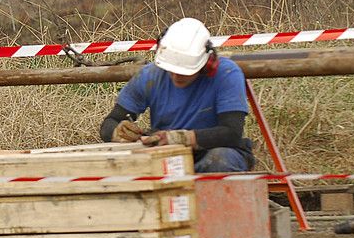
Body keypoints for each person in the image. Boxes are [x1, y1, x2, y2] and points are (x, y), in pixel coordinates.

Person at [99, 17, 255, 173]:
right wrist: (118, 132)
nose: (176, 76)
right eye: (171, 70)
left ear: (206, 63)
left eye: (184, 72)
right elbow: (110, 122)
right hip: (167, 155)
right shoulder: (150, 76)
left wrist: (178, 139)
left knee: (220, 160)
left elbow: (231, 133)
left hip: (216, 151)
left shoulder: (226, 74)